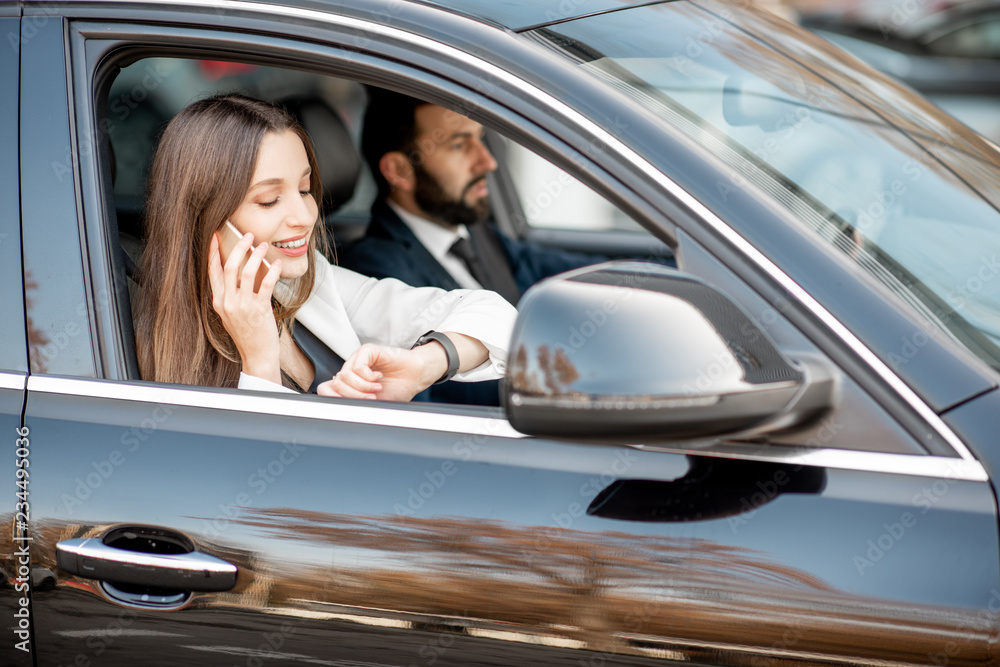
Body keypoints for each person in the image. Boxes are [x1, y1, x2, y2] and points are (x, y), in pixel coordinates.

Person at [134, 93, 515, 401]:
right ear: (206, 218)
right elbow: (256, 484)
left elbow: (495, 314)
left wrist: (425, 364)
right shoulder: (148, 343)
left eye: (304, 190)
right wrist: (260, 360)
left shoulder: (310, 285)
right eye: (269, 200)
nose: (304, 215)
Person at [340, 89, 617, 404]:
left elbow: (559, 272)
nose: (488, 161)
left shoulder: (476, 233)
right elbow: (432, 394)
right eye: (459, 145)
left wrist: (645, 281)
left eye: (479, 139)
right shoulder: (376, 268)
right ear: (400, 170)